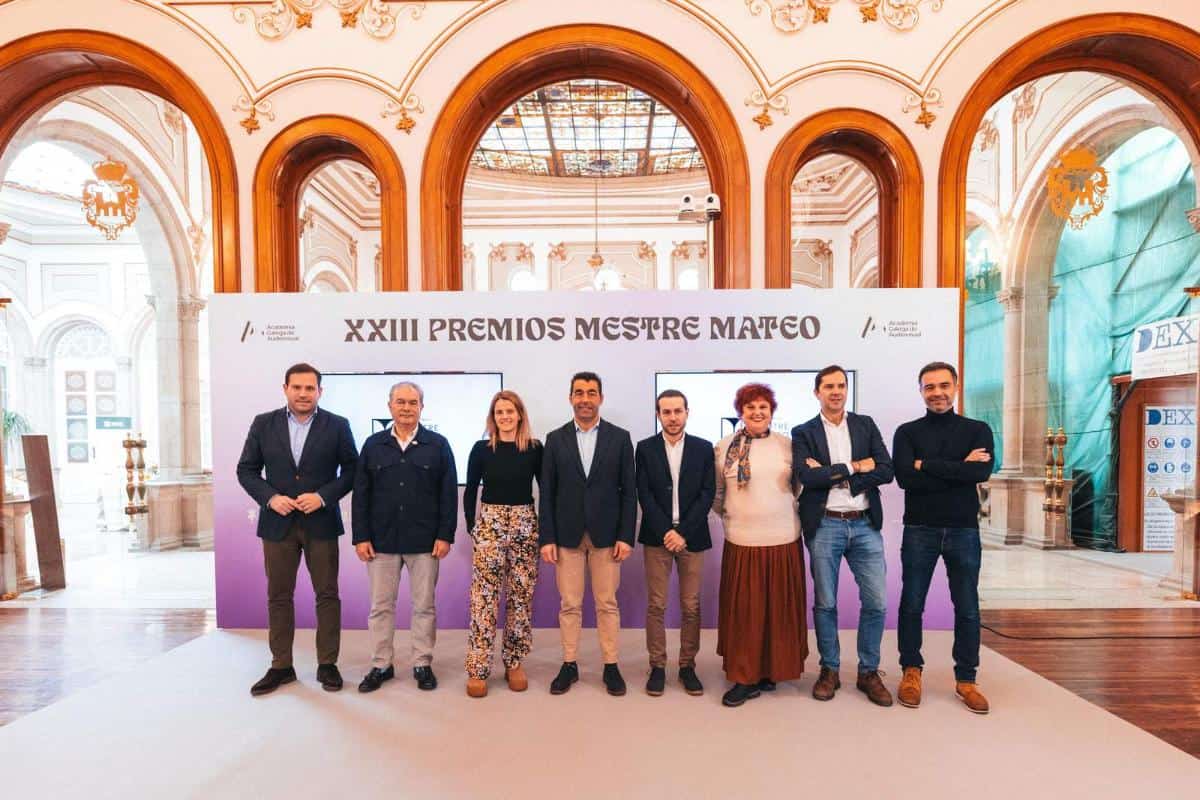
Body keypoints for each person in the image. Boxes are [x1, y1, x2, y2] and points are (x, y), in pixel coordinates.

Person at [236, 362, 357, 696]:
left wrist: (323, 496)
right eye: (297, 388)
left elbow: (351, 471)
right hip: (277, 525)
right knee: (279, 596)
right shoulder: (263, 424)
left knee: (328, 595)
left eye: (310, 388)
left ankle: (327, 664)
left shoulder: (337, 425)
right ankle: (281, 666)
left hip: (321, 523)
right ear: (285, 389)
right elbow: (246, 470)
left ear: (320, 391)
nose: (304, 394)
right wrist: (270, 498)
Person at [892, 361, 994, 714]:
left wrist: (926, 464)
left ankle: (966, 679)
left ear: (955, 387)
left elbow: (980, 471)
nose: (937, 392)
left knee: (967, 606)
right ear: (920, 391)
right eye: (929, 386)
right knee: (912, 604)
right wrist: (957, 467)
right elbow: (905, 478)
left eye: (943, 385)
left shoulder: (978, 429)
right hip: (919, 528)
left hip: (964, 529)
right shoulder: (906, 432)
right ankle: (911, 670)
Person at [792, 365, 895, 706]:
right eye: (828, 386)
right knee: (826, 603)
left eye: (841, 385)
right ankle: (830, 669)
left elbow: (885, 469)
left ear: (846, 389)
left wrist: (844, 479)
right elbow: (808, 477)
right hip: (825, 525)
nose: (836, 391)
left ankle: (868, 671)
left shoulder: (865, 424)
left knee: (877, 602)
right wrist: (854, 466)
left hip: (865, 524)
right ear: (817, 392)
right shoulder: (803, 431)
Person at [352, 381, 456, 694]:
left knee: (424, 606)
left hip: (425, 542)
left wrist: (445, 535)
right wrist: (361, 536)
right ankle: (381, 664)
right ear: (390, 407)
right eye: (401, 402)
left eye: (413, 403)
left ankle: (422, 663)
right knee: (381, 607)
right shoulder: (373, 445)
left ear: (422, 408)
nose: (406, 408)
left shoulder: (437, 445)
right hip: (381, 542)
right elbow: (361, 494)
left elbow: (448, 495)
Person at [539, 371, 636, 697]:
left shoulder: (620, 438)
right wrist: (547, 538)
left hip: (607, 536)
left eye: (591, 393)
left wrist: (626, 536)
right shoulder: (555, 439)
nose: (585, 399)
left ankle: (611, 665)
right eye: (579, 393)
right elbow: (547, 492)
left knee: (607, 604)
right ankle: (569, 664)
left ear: (600, 398)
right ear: (570, 398)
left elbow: (629, 492)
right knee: (570, 604)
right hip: (566, 536)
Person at [713, 382, 807, 708]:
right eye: (750, 407)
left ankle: (771, 671)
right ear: (740, 412)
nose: (756, 412)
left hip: (783, 538)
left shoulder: (789, 446)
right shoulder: (724, 447)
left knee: (776, 611)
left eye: (763, 407)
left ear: (771, 412)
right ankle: (744, 676)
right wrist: (739, 516)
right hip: (742, 540)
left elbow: (798, 488)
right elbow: (717, 496)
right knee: (745, 614)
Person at [462, 390, 543, 698]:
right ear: (493, 417)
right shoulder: (481, 449)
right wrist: (473, 525)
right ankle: (478, 667)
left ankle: (514, 661)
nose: (505, 416)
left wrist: (544, 529)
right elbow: (470, 489)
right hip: (490, 523)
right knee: (484, 598)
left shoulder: (535, 449)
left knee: (520, 596)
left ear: (520, 414)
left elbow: (545, 488)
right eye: (499, 412)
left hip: (524, 522)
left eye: (510, 411)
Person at [635, 389, 716, 697]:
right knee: (656, 604)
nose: (672, 417)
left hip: (692, 537)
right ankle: (657, 666)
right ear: (659, 414)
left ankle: (687, 666)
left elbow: (707, 493)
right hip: (657, 537)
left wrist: (683, 532)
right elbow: (644, 493)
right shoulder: (644, 448)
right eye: (666, 412)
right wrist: (666, 530)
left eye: (677, 411)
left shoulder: (703, 447)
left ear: (686, 412)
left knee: (691, 606)